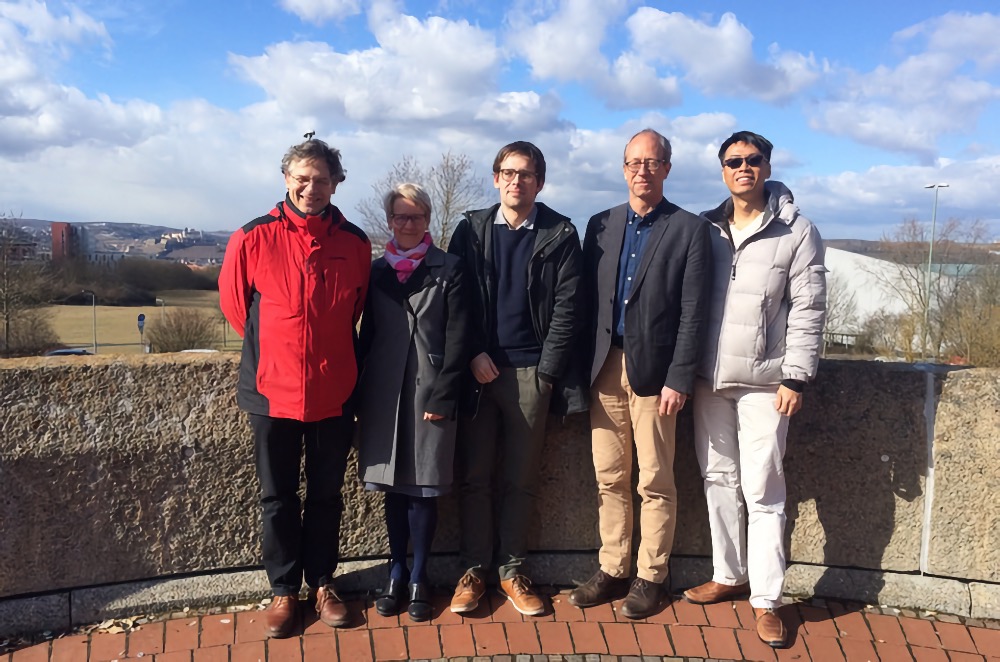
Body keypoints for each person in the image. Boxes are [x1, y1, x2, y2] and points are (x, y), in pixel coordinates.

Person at [219, 138, 371, 638]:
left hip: (334, 390)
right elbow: (237, 309)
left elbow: (354, 309)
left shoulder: (354, 242)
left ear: (335, 183)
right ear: (286, 179)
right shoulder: (252, 237)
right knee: (277, 496)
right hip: (271, 391)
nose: (312, 188)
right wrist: (280, 353)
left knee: (327, 495)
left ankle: (323, 582)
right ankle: (283, 589)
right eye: (302, 178)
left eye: (322, 179)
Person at [684, 131, 826, 649]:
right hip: (709, 379)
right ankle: (729, 573)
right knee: (717, 477)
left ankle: (767, 599)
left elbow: (810, 309)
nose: (743, 168)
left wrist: (796, 375)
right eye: (733, 161)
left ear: (767, 166)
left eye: (752, 160)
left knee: (764, 490)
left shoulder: (797, 231)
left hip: (767, 383)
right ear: (722, 170)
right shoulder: (705, 228)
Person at [571, 129, 711, 619]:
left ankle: (652, 575)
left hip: (656, 373)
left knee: (654, 478)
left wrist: (679, 377)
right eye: (634, 162)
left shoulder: (689, 230)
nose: (642, 171)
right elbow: (586, 302)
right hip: (603, 367)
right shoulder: (601, 225)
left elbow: (694, 312)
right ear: (623, 167)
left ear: (667, 168)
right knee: (609, 475)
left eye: (652, 163)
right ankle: (613, 567)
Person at [447, 141, 585, 616]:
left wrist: (546, 371)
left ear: (539, 182)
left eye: (525, 174)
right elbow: (455, 299)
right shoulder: (472, 229)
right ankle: (472, 572)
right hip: (480, 370)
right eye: (507, 173)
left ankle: (511, 571)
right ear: (495, 179)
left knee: (521, 480)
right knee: (475, 476)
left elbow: (569, 307)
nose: (515, 181)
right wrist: (472, 354)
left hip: (531, 373)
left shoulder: (559, 234)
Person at [355, 183, 469, 623]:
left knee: (423, 488)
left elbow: (460, 336)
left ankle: (420, 575)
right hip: (383, 393)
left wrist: (445, 392)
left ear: (427, 221)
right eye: (400, 217)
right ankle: (395, 572)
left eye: (417, 217)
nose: (408, 224)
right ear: (389, 221)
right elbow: (366, 337)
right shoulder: (375, 272)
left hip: (429, 391)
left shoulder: (450, 269)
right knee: (391, 487)